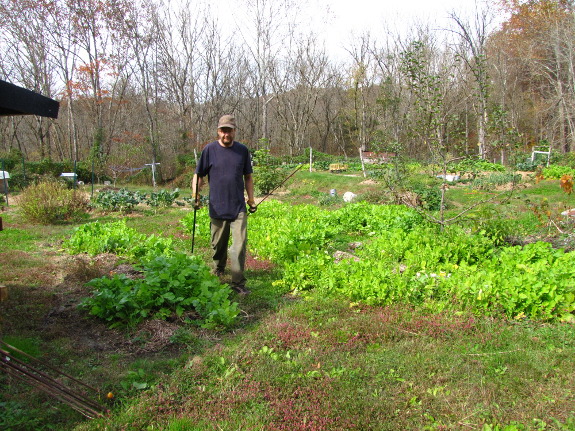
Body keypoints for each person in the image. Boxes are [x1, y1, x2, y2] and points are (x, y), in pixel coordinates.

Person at [192, 114, 256, 295]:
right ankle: (219, 267)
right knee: (218, 244)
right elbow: (199, 175)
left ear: (234, 131)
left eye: (229, 130)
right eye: (223, 130)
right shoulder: (209, 150)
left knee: (239, 245)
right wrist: (195, 194)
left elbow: (248, 177)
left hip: (238, 207)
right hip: (217, 206)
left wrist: (251, 200)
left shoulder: (242, 151)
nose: (226, 134)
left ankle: (238, 282)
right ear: (218, 131)